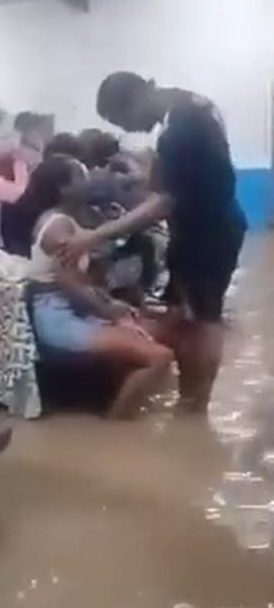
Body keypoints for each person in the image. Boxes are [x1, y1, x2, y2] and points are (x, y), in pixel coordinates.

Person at [60, 72, 247, 412]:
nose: (131, 129)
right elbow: (173, 178)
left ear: (135, 99)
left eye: (124, 120)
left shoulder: (179, 130)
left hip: (207, 232)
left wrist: (95, 235)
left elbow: (164, 201)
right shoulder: (188, 105)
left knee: (204, 319)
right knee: (187, 314)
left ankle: (195, 406)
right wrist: (136, 180)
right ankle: (190, 398)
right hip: (210, 224)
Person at [27, 154, 174, 418]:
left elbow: (84, 281)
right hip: (58, 317)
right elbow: (69, 282)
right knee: (160, 357)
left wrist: (113, 306)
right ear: (64, 189)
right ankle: (116, 426)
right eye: (80, 175)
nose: (89, 178)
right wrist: (110, 310)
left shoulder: (70, 219)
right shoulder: (58, 225)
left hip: (74, 311)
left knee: (152, 330)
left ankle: (119, 412)